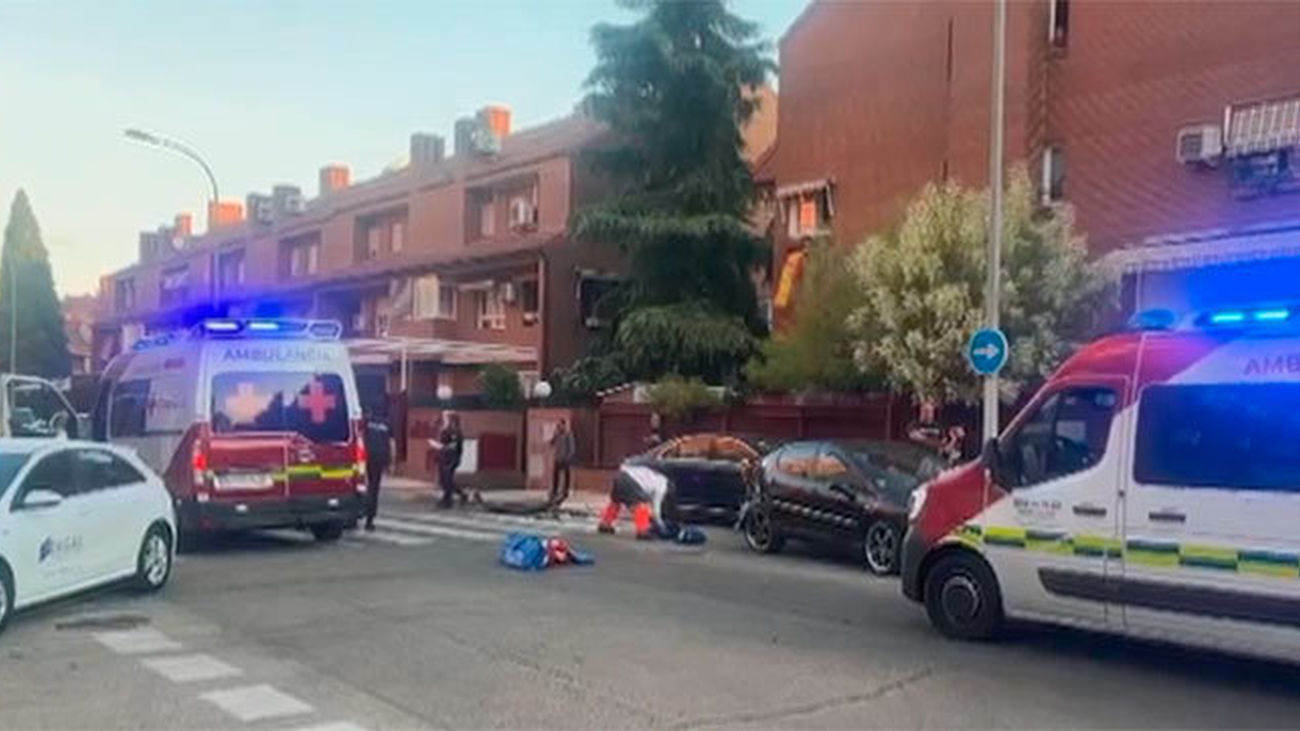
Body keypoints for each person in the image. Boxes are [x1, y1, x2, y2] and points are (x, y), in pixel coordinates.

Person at [596, 462, 679, 540]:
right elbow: (656, 507)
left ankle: (605, 524)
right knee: (642, 504)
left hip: (621, 476)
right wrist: (660, 524)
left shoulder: (656, 477)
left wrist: (650, 516)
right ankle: (642, 531)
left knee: (616, 502)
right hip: (631, 480)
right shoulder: (662, 485)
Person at [362, 409, 393, 531]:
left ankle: (357, 514)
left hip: (366, 457)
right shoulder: (387, 423)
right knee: (373, 489)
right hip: (379, 458)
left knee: (362, 486)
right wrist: (391, 462)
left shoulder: (367, 422)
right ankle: (369, 520)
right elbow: (392, 443)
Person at [429, 411, 467, 508]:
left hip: (451, 458)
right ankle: (461, 494)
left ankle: (447, 501)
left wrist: (439, 446)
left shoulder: (454, 430)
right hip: (443, 457)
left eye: (445, 417)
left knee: (447, 479)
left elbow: (453, 446)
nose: (443, 418)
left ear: (451, 419)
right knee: (443, 480)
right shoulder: (444, 429)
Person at [548, 418, 576, 509]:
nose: (559, 427)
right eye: (558, 425)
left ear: (564, 425)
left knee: (566, 476)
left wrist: (569, 457)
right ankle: (554, 491)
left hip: (565, 458)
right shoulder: (557, 434)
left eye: (560, 425)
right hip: (557, 458)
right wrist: (554, 435)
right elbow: (551, 443)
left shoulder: (568, 434)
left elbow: (572, 447)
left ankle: (565, 491)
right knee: (555, 476)